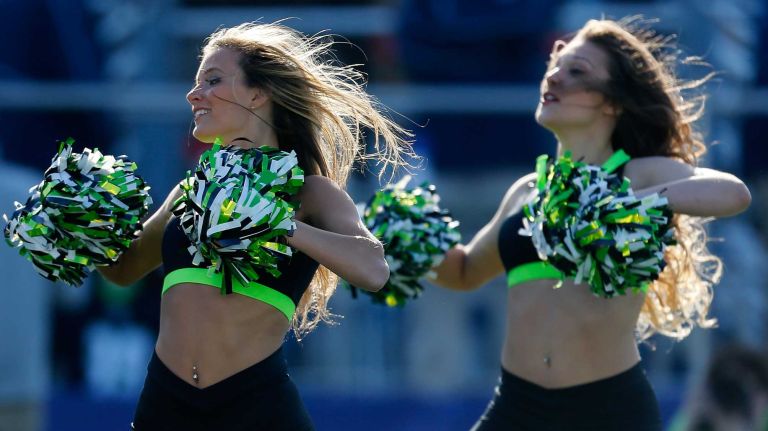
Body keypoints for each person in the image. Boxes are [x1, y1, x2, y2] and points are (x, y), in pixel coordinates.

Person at [430, 17, 751, 431]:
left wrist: (619, 207)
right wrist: (400, 242)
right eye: (554, 66)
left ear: (612, 102)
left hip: (608, 411)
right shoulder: (527, 191)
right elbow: (464, 270)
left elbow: (733, 193)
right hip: (515, 409)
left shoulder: (636, 175)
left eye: (576, 72)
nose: (555, 77)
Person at [97, 22, 412, 430]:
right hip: (165, 404)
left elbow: (373, 269)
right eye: (196, 84)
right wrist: (85, 229)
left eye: (213, 81)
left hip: (255, 407)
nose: (194, 95)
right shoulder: (190, 190)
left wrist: (277, 224)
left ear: (258, 93)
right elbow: (124, 270)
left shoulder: (309, 192)